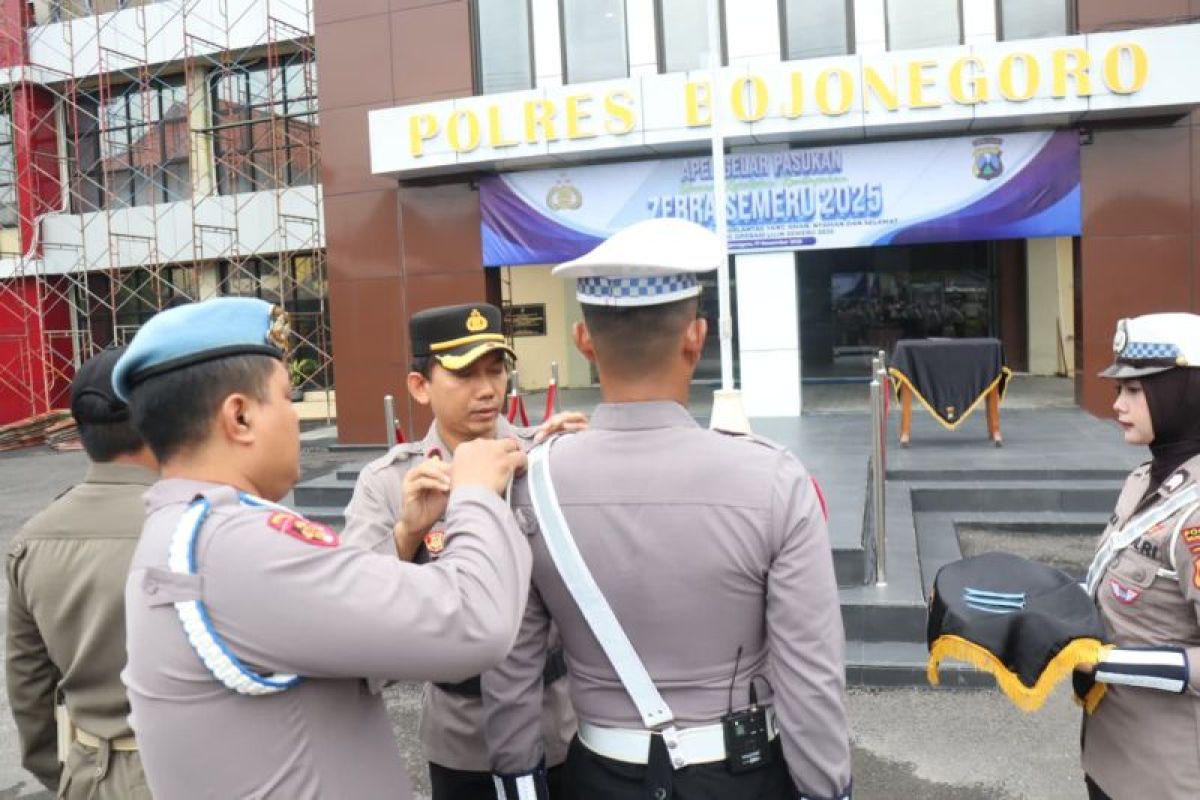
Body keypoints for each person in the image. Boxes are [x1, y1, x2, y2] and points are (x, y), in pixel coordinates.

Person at [482, 218, 853, 800]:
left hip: (598, 776)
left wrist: (520, 789)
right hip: (743, 776)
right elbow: (812, 678)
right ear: (696, 336)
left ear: (584, 339)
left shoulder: (532, 484)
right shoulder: (773, 480)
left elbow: (510, 673)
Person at [111, 296, 532, 799]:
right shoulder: (243, 547)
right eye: (288, 399)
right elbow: (474, 622)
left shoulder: (196, 529)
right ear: (239, 417)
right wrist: (476, 493)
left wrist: (407, 534)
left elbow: (367, 650)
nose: (297, 419)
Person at [342, 302, 580, 799]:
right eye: (465, 375)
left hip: (559, 723)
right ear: (420, 386)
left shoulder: (543, 457)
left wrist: (593, 462)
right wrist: (407, 533)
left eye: (496, 371)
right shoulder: (389, 482)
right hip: (462, 736)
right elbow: (351, 605)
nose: (488, 390)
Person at [5, 347, 158, 799]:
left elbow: (28, 685)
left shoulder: (32, 538)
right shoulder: (201, 527)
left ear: (81, 431)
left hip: (90, 771)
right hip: (195, 772)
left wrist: (65, 772)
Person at [1075, 313, 1200, 800]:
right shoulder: (1146, 480)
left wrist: (1104, 664)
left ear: (1182, 390)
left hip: (1168, 776)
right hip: (1110, 755)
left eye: (1134, 390)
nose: (1116, 404)